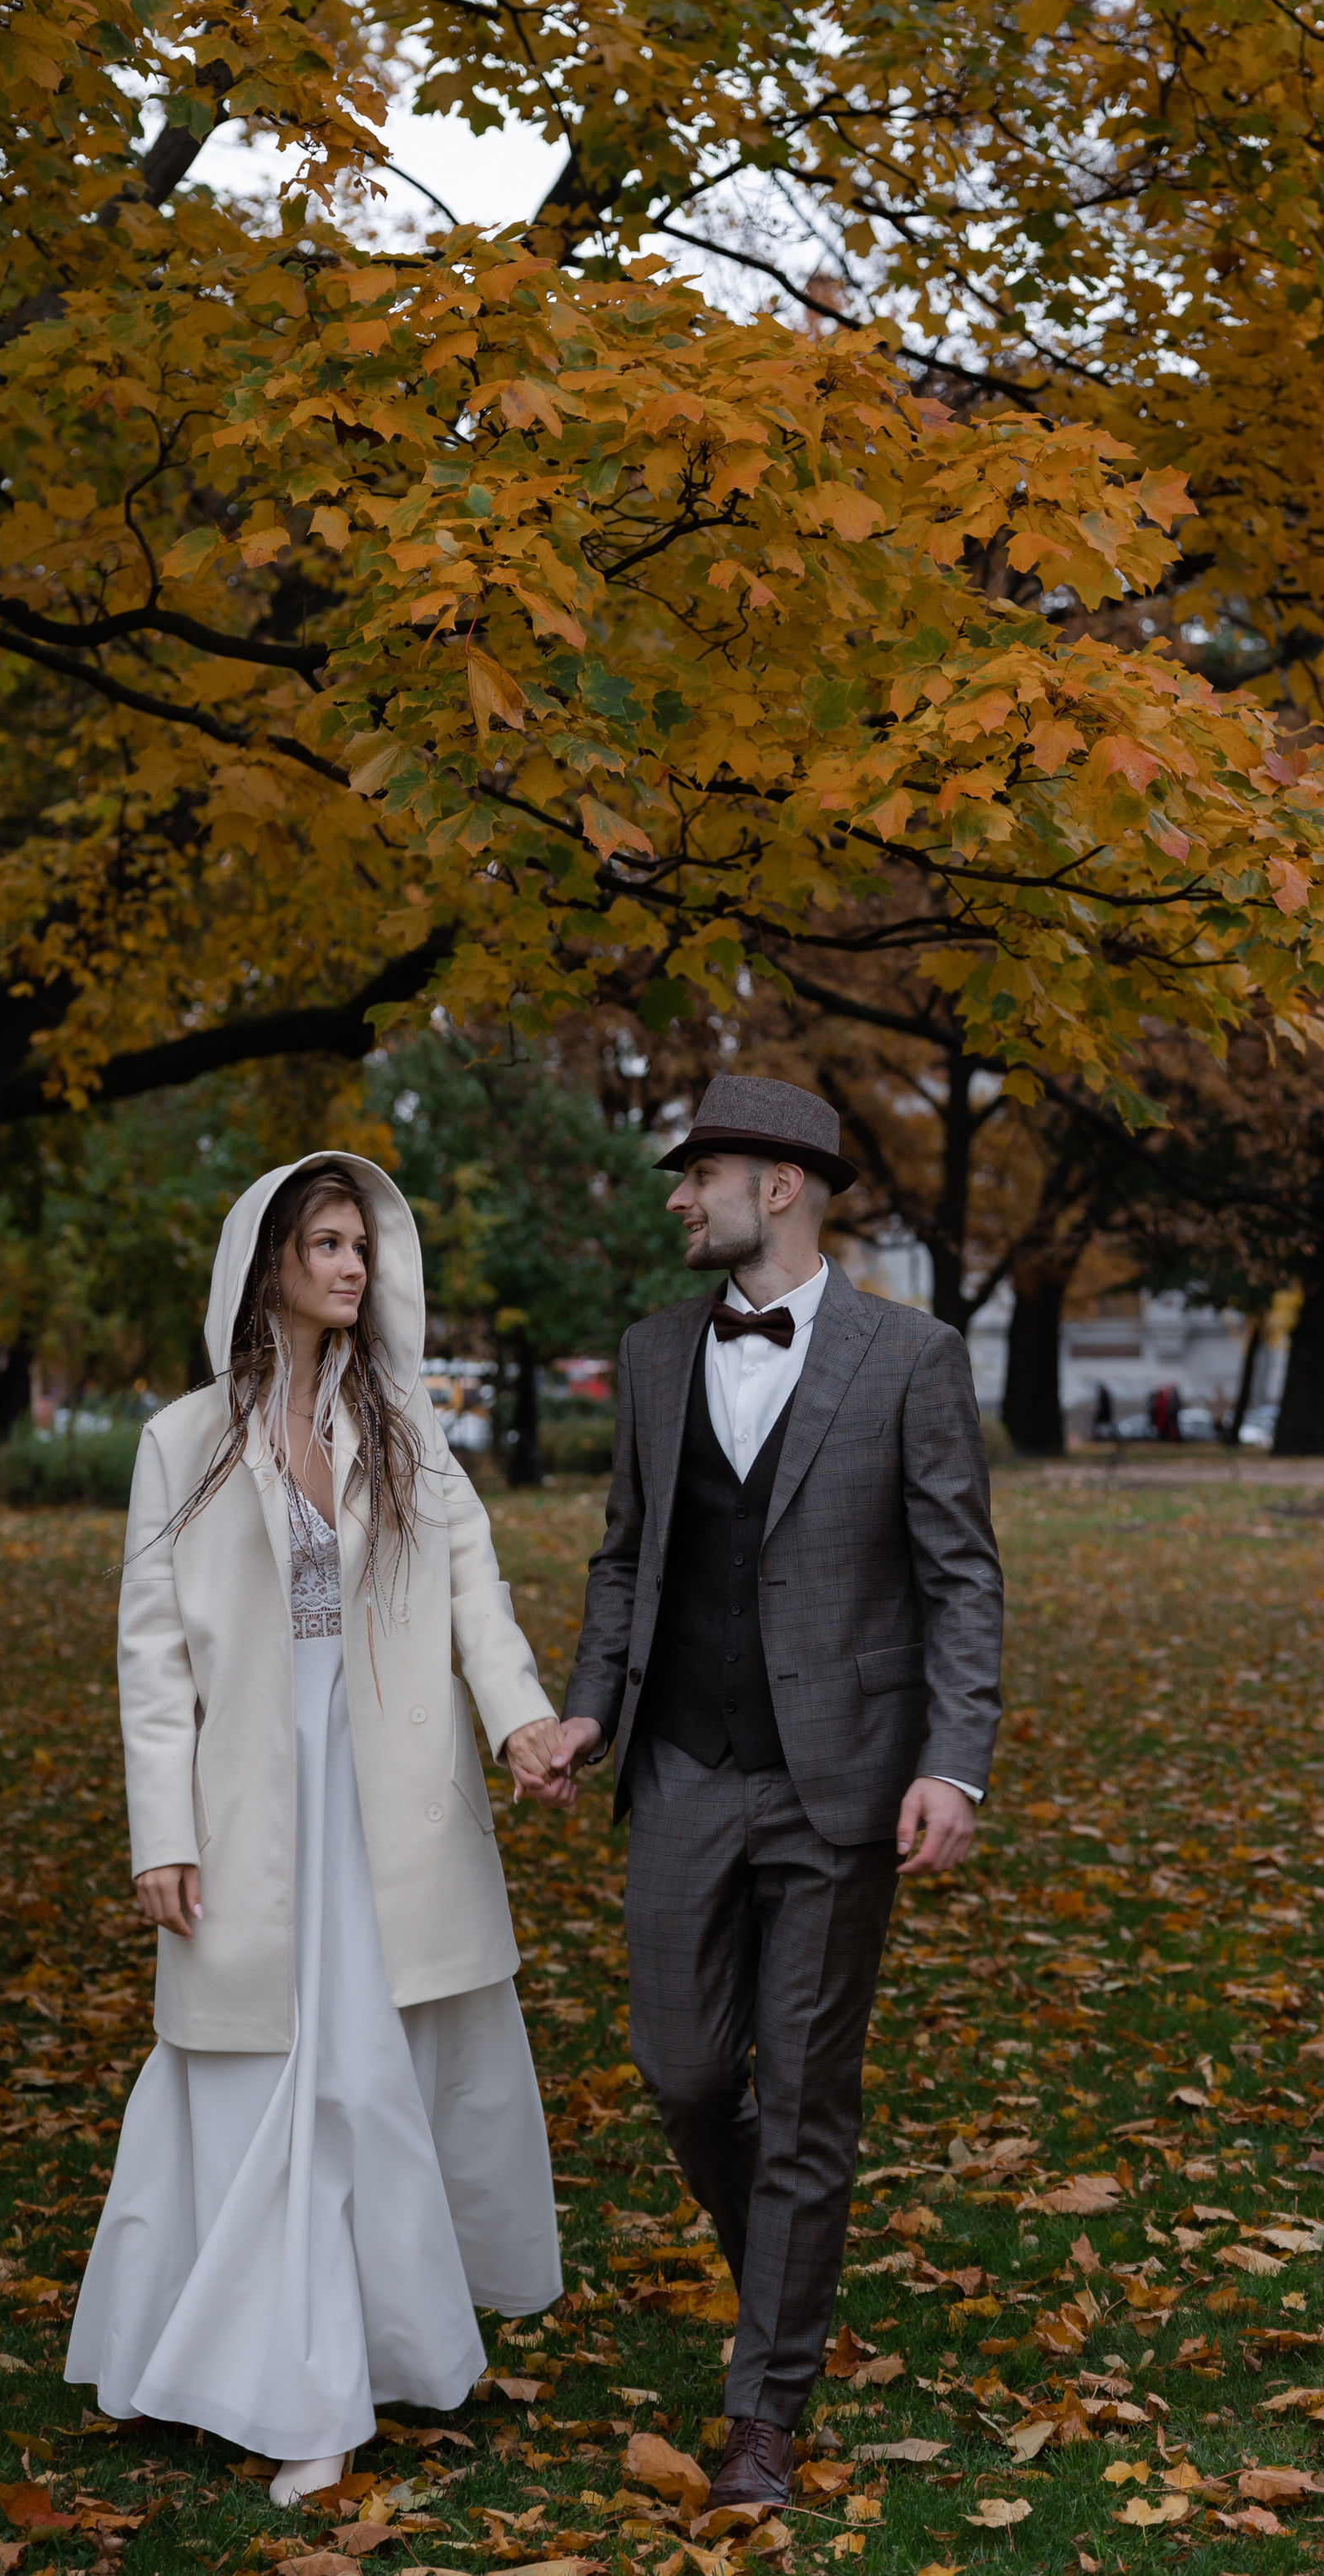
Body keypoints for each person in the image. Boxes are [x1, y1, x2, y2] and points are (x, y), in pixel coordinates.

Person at [530, 1075, 1003, 2517]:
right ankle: (792, 2279)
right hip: (679, 1766)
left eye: (702, 1174)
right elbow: (626, 1556)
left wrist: (953, 1757)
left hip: (840, 1783)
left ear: (781, 1186)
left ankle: (765, 2411)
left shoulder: (911, 1357)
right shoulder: (658, 1350)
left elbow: (959, 1575)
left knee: (804, 2096)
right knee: (682, 2076)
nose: (680, 1197)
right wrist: (592, 1703)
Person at [67, 1154, 565, 2500]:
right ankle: (278, 2377)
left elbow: (471, 1579)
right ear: (270, 1261)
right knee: (245, 2072)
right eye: (328, 1245)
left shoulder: (401, 1423)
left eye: (360, 1246)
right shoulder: (182, 1439)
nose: (352, 1266)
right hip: (245, 1793)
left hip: (381, 1785)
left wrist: (519, 1716)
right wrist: (157, 1830)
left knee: (359, 2073)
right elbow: (151, 1653)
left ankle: (332, 2386)